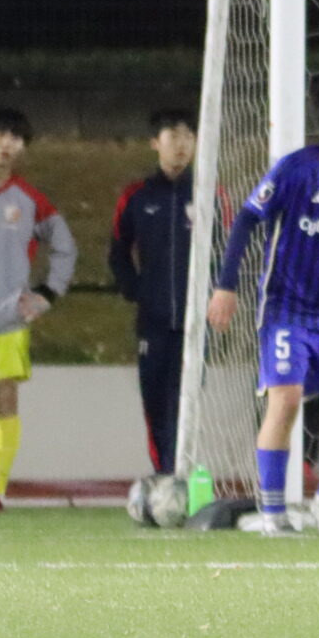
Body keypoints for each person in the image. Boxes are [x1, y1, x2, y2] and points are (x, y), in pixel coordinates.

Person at [205, 79, 319, 537]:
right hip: (286, 310)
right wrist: (226, 286)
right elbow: (247, 218)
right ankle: (273, 514)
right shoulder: (296, 169)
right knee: (286, 400)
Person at [0, 109, 76, 512]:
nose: (8, 143)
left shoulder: (30, 200)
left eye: (17, 138)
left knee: (4, 402)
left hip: (6, 320)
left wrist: (47, 293)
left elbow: (65, 247)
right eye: (0, 134)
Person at [109, 108, 198, 476]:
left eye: (188, 136)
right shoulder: (136, 196)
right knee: (156, 401)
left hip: (195, 324)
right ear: (155, 143)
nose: (181, 145)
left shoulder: (210, 193)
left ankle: (182, 472)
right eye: (172, 136)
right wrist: (136, 289)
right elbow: (118, 250)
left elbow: (226, 251)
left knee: (186, 402)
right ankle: (164, 474)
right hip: (154, 321)